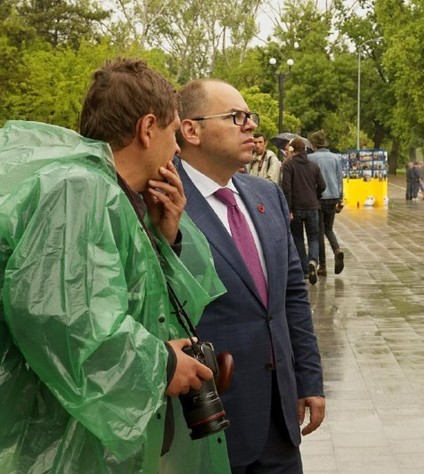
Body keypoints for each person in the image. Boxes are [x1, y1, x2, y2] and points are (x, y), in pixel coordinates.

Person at [0, 58, 230, 472]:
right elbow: (64, 320)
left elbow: (150, 308)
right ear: (147, 128)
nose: (178, 149)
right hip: (59, 441)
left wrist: (164, 236)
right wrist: (161, 365)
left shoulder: (114, 195)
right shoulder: (78, 189)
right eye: (173, 133)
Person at [175, 78, 325, 472]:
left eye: (250, 116)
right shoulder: (163, 201)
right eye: (236, 117)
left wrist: (308, 379)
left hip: (280, 421)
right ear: (191, 130)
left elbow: (292, 297)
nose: (251, 126)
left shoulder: (266, 195)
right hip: (208, 424)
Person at [281, 137, 326, 285]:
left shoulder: (288, 166)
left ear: (292, 150)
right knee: (314, 237)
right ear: (304, 149)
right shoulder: (313, 166)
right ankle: (313, 260)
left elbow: (286, 188)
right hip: (312, 206)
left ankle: (305, 270)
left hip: (296, 208)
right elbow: (322, 185)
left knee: (298, 238)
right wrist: (315, 195)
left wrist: (288, 209)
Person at [308, 129, 346, 277]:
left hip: (318, 197)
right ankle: (336, 249)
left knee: (319, 232)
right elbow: (339, 179)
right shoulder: (335, 158)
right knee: (328, 228)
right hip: (333, 196)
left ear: (314, 143)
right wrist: (340, 199)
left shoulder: (311, 158)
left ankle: (322, 266)